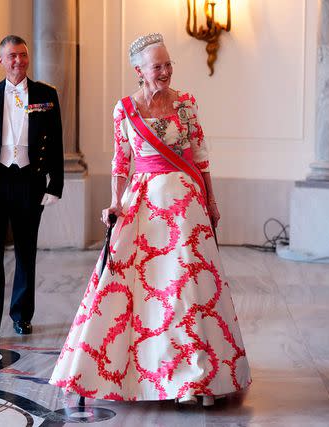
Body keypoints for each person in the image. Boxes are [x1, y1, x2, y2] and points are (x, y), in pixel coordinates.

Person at [49, 33, 251, 405]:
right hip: (143, 207)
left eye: (168, 64)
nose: (165, 72)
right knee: (141, 289)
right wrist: (113, 202)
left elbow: (201, 155)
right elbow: (121, 160)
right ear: (139, 71)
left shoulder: (187, 103)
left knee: (187, 288)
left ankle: (197, 377)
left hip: (187, 206)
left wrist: (211, 199)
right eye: (157, 66)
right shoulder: (124, 109)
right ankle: (151, 373)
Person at [0, 35, 63, 337]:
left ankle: (21, 315)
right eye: (11, 56)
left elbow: (58, 143)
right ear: (2, 61)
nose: (18, 61)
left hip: (29, 179)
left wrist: (56, 184)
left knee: (26, 251)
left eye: (22, 55)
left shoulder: (45, 94)